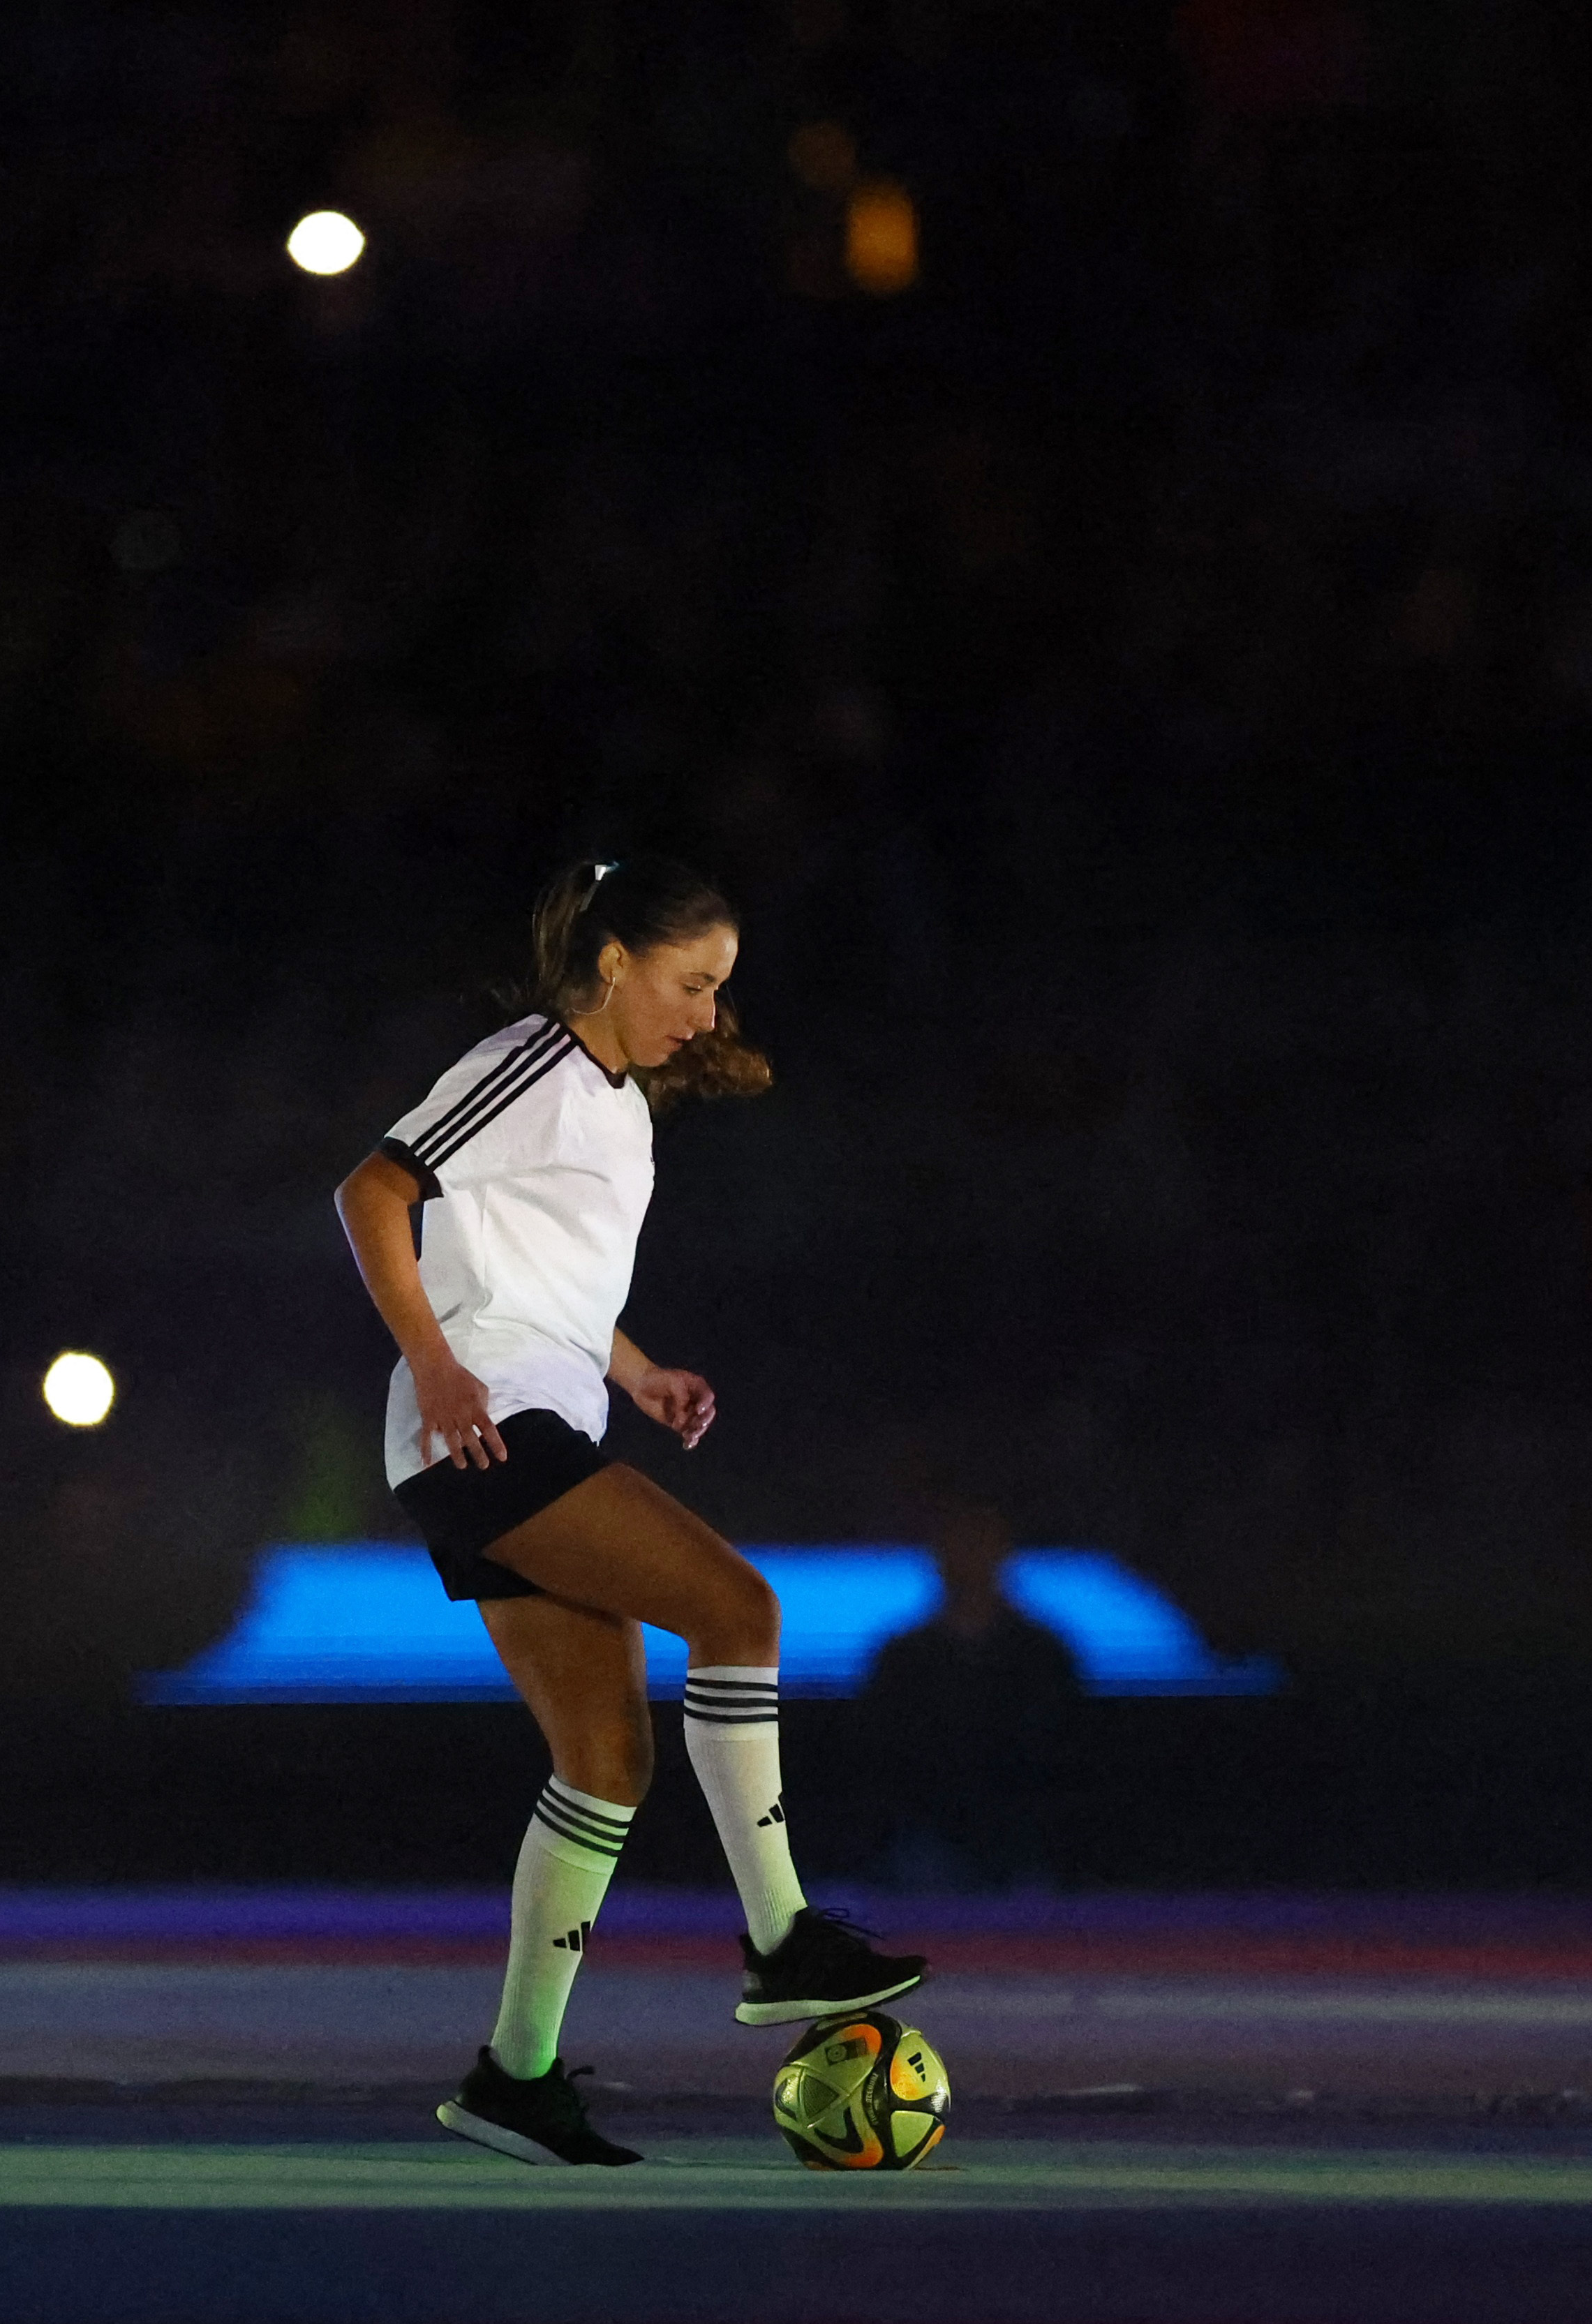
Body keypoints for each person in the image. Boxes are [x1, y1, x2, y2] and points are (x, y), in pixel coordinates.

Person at [334, 858, 925, 2167]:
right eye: (692, 983)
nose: (708, 1015)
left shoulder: (616, 1104)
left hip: (519, 1419)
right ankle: (782, 1937)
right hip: (487, 1426)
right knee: (739, 1609)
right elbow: (371, 1191)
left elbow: (541, 1277)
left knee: (605, 1764)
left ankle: (514, 2078)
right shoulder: (531, 1062)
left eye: (719, 990)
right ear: (613, 961)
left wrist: (638, 1370)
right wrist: (436, 1361)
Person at [858, 1492, 1080, 1889]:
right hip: (927, 1843)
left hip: (1025, 1843)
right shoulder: (903, 1659)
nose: (970, 1557)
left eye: (982, 1543)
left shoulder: (1044, 1655)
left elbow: (1063, 1753)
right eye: (959, 1544)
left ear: (1003, 1554)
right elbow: (882, 1757)